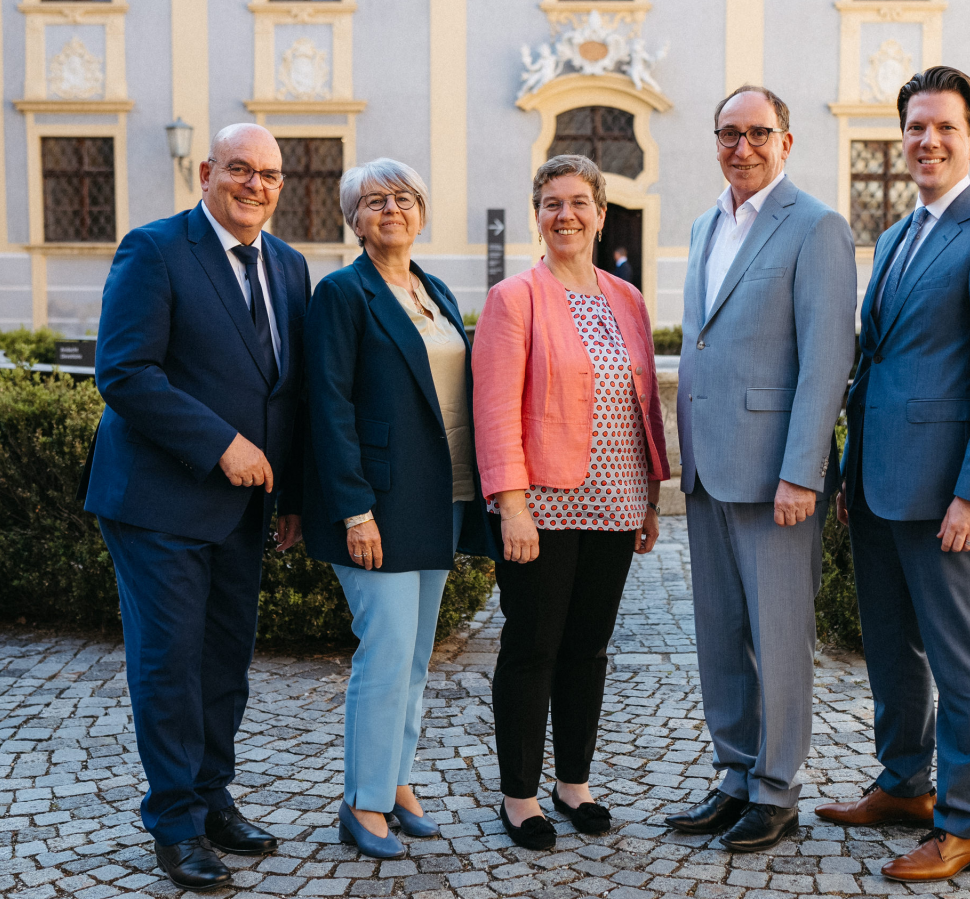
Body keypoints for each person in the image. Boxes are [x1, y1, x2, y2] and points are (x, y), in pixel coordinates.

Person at [819, 66, 970, 881]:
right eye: (915, 126)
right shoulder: (903, 232)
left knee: (960, 657)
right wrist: (848, 474)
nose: (928, 140)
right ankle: (905, 781)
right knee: (890, 646)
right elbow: (878, 359)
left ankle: (964, 821)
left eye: (945, 127)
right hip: (880, 484)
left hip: (950, 492)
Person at [84, 123, 307, 892]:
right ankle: (175, 823)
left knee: (224, 665)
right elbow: (124, 370)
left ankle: (213, 798)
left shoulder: (289, 264)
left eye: (270, 174)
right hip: (159, 500)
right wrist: (221, 444)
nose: (255, 185)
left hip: (245, 508)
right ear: (207, 171)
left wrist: (289, 495)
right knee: (169, 665)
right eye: (240, 169)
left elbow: (285, 388)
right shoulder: (155, 249)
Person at [664, 85, 857, 852]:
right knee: (719, 633)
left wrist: (804, 471)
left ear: (786, 139)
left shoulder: (816, 227)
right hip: (709, 469)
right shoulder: (705, 223)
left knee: (778, 636)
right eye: (727, 133)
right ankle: (736, 773)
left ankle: (778, 787)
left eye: (756, 133)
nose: (740, 147)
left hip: (779, 473)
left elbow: (826, 360)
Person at [472, 154, 670, 851]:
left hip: (617, 501)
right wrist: (511, 503)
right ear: (538, 212)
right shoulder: (515, 297)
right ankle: (520, 793)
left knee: (588, 648)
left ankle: (574, 783)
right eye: (553, 202)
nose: (567, 215)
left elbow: (641, 400)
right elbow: (493, 409)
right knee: (533, 646)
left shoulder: (627, 298)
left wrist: (649, 494)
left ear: (601, 213)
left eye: (580, 202)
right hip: (545, 507)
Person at [302, 159, 496, 858]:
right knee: (383, 654)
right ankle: (363, 801)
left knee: (414, 658)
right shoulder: (342, 294)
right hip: (376, 506)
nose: (391, 207)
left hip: (440, 499)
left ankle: (397, 781)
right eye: (374, 199)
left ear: (422, 211)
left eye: (404, 196)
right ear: (353, 219)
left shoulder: (433, 287)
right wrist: (354, 511)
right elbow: (326, 406)